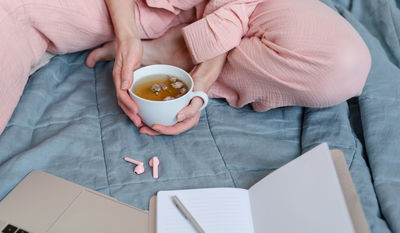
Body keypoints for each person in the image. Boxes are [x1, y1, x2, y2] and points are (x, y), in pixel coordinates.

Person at [0, 0, 371, 136]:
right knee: (11, 10)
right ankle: (171, 46)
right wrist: (128, 35)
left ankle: (173, 50)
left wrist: (201, 83)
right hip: (135, 8)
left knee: (342, 65)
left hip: (250, 4)